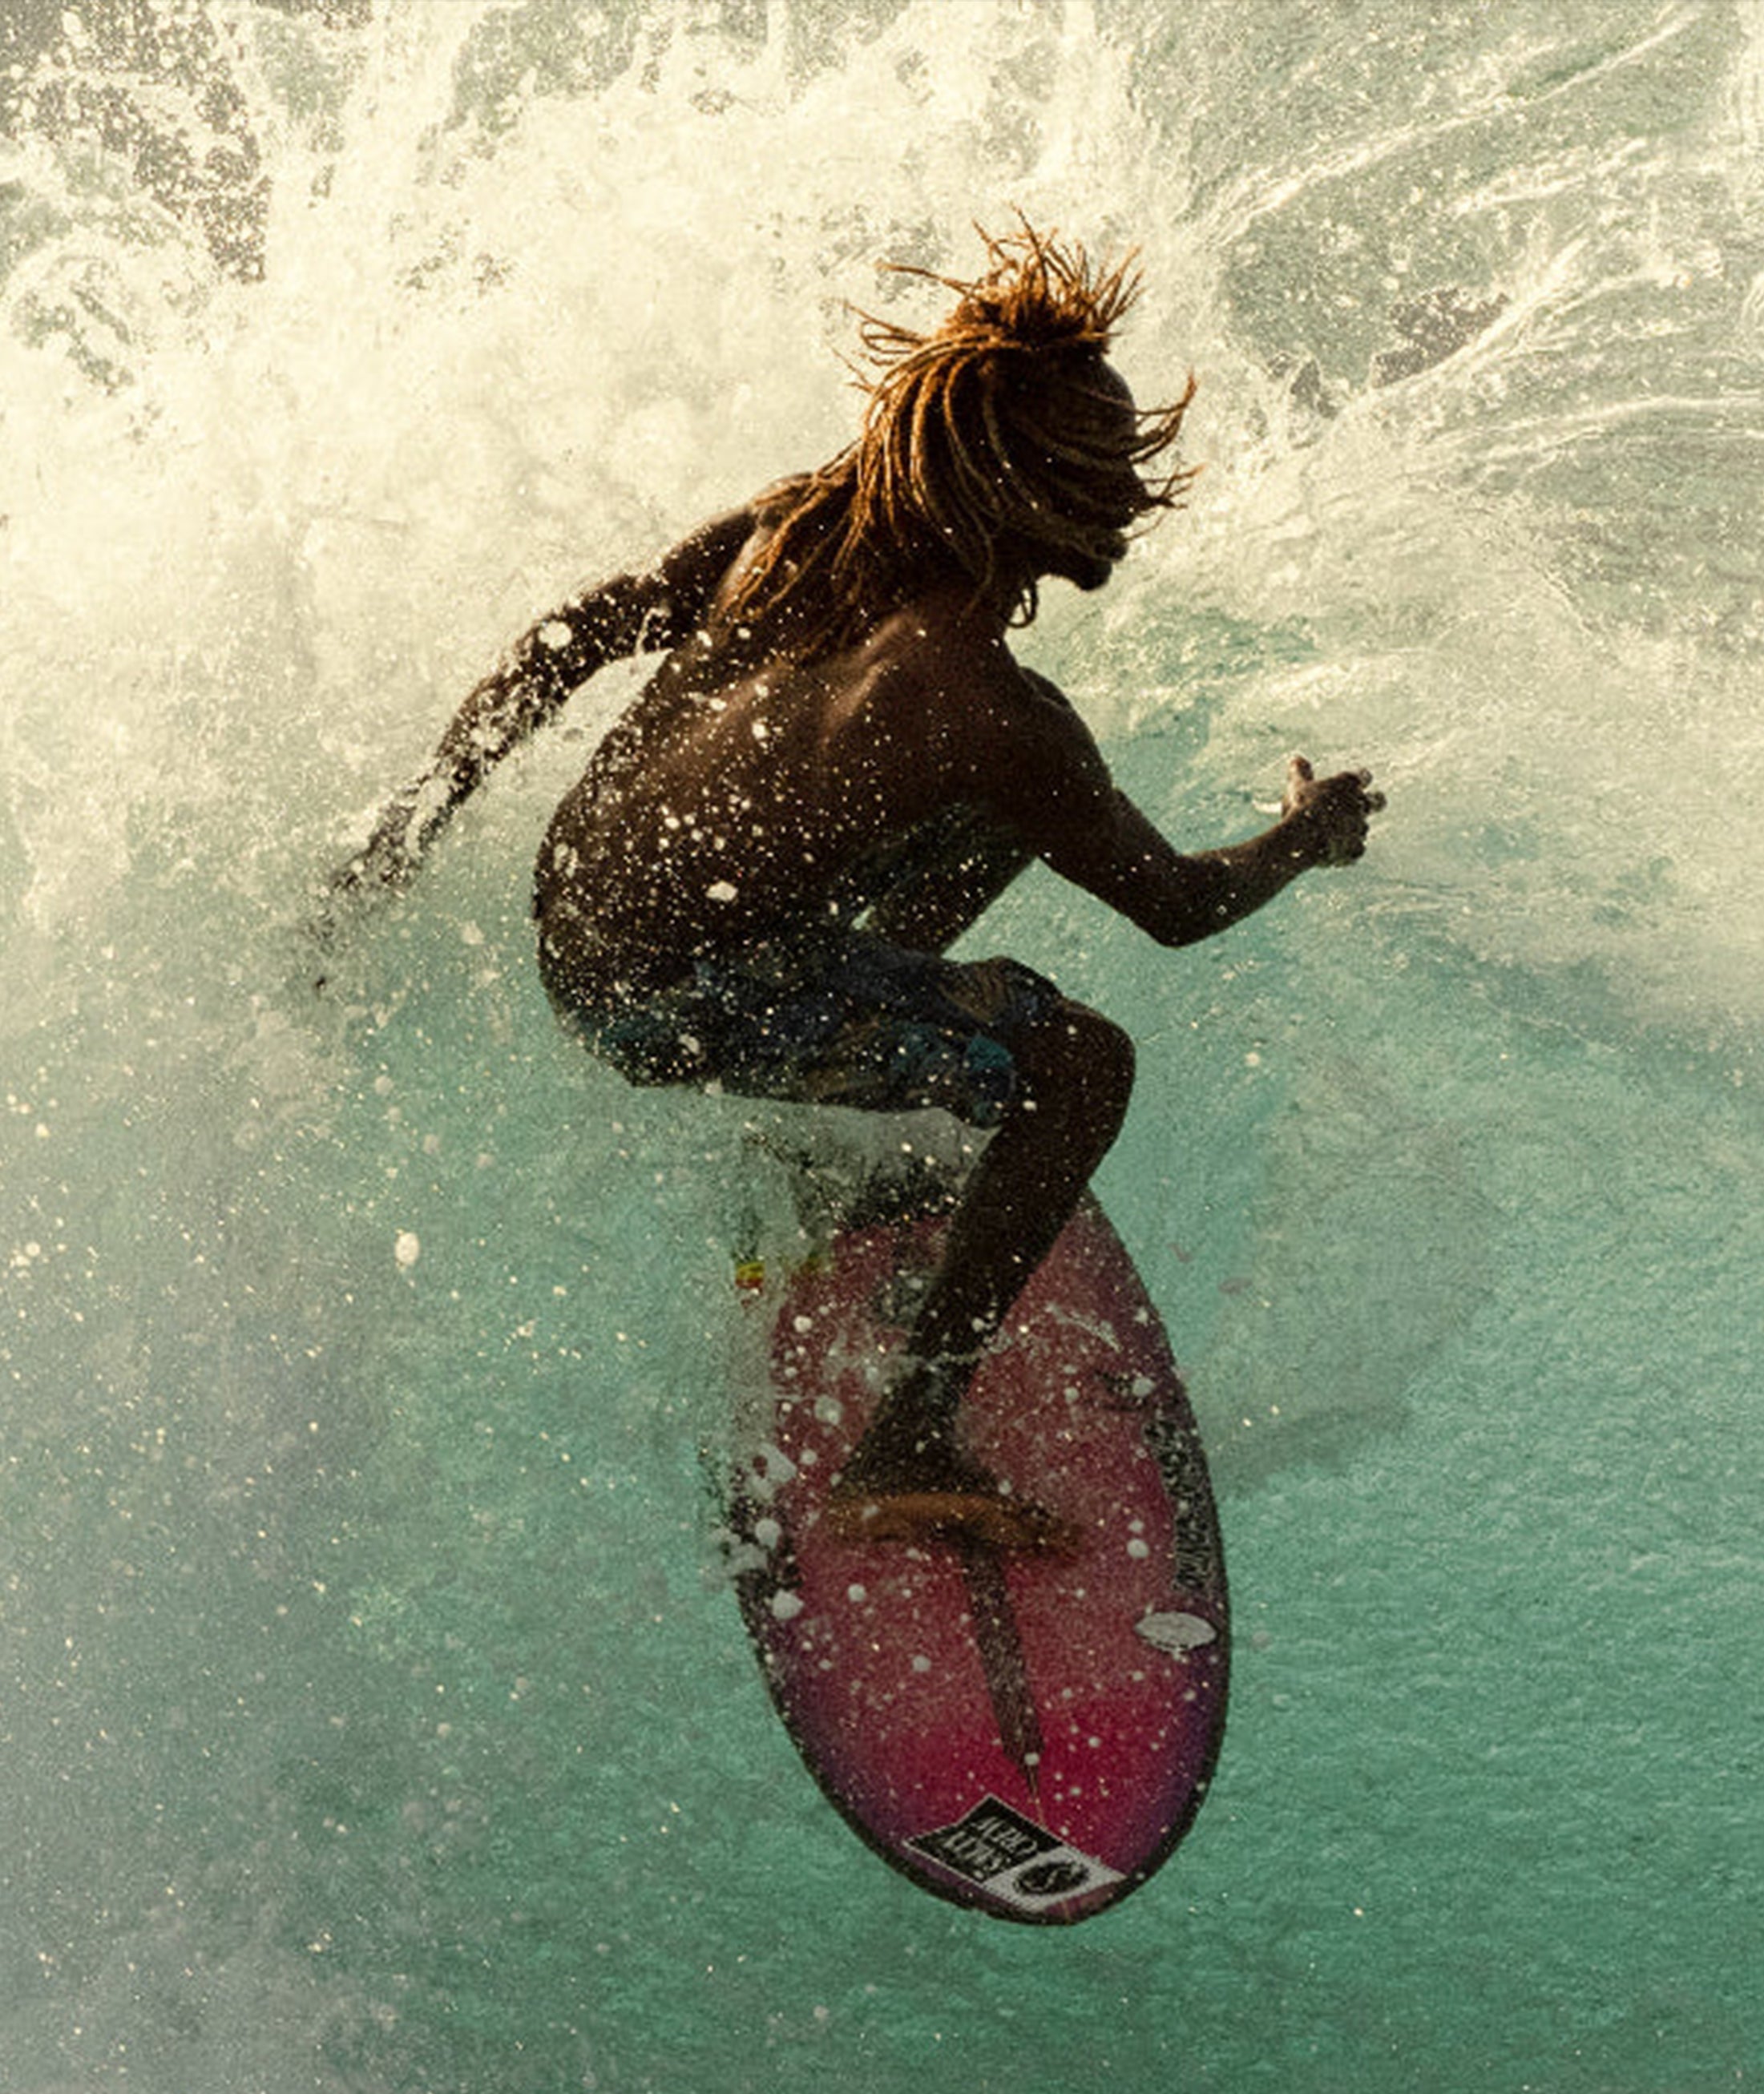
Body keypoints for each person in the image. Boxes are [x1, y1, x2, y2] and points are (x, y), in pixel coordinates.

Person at [318, 224, 1384, 1553]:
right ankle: (910, 1439)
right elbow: (1172, 905)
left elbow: (582, 631)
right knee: (1082, 1069)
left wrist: (413, 823)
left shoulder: (803, 521)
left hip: (581, 915)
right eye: (1100, 471)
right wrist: (1301, 836)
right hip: (669, 1002)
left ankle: (828, 1100)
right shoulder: (993, 714)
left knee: (983, 831)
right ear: (1017, 486)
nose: (1129, 497)